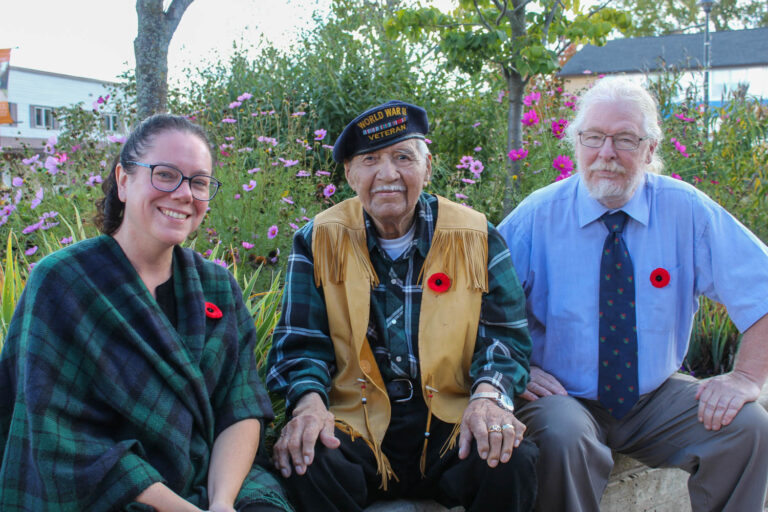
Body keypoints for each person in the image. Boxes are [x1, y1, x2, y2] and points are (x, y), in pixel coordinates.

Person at [498, 77, 768, 511]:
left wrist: (746, 378)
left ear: (649, 149)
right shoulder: (537, 217)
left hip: (655, 398)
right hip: (562, 397)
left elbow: (764, 287)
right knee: (562, 436)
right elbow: (473, 305)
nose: (607, 153)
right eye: (594, 138)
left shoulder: (686, 210)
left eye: (624, 139)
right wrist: (514, 368)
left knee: (748, 427)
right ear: (576, 144)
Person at [0, 114, 291, 512]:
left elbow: (239, 408)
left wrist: (222, 504)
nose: (185, 193)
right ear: (123, 180)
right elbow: (59, 436)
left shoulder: (218, 288)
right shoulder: (62, 283)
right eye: (166, 174)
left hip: (211, 480)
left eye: (199, 182)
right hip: (106, 492)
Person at [266, 100, 538, 512]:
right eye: (370, 160)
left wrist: (488, 397)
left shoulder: (475, 234)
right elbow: (301, 342)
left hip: (450, 420)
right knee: (307, 460)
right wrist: (308, 404)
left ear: (427, 169)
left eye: (403, 157)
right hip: (355, 422)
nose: (387, 174)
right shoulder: (317, 239)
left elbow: (506, 339)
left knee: (510, 458)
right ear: (349, 174)